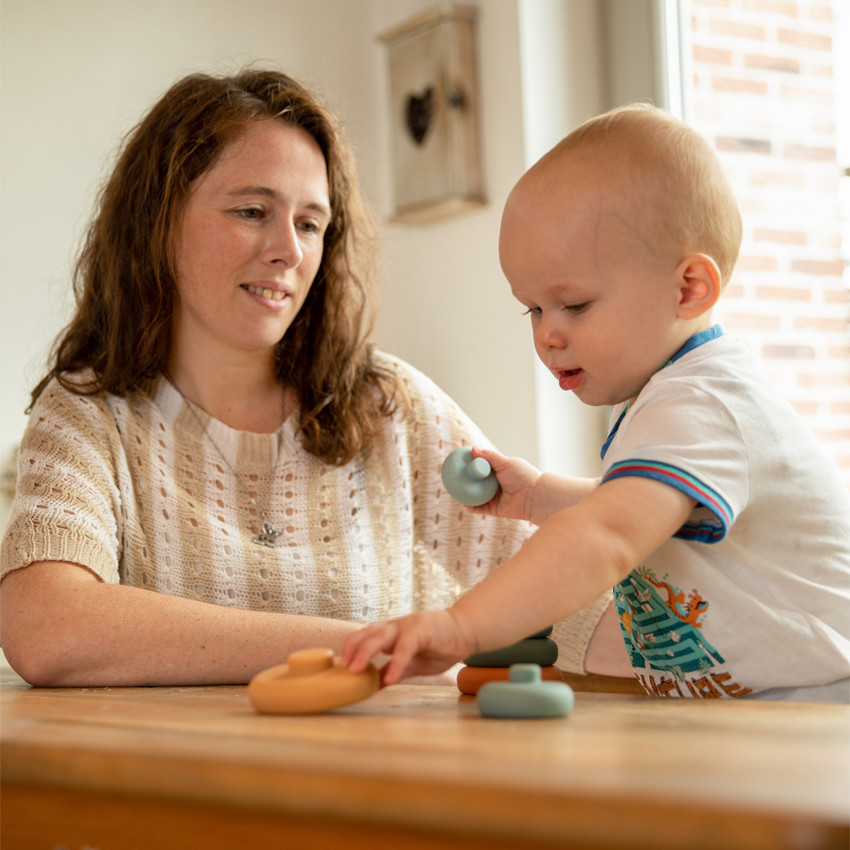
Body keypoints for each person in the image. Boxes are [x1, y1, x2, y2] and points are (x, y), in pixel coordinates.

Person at [0, 69, 619, 688]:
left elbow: (569, 603)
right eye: (252, 210)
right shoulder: (88, 412)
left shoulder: (389, 407)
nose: (289, 252)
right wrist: (364, 645)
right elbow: (47, 628)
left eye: (309, 224)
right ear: (158, 221)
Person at [343, 103, 850, 702]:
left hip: (823, 710)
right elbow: (652, 516)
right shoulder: (671, 396)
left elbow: (609, 533)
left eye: (575, 305)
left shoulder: (703, 403)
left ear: (689, 288)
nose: (546, 335)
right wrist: (538, 496)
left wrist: (461, 626)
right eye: (532, 309)